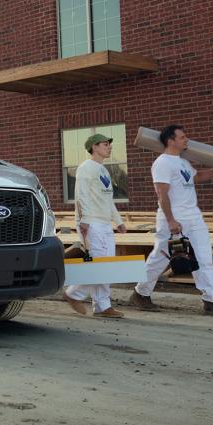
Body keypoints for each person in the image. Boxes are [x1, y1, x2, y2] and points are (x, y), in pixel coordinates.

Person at [128, 125, 213, 317]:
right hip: (173, 218)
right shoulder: (162, 163)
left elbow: (198, 177)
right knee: (160, 257)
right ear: (171, 141)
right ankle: (140, 293)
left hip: (194, 217)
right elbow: (161, 194)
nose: (186, 140)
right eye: (182, 137)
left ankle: (212, 300)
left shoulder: (183, 162)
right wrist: (171, 220)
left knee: (204, 258)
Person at [63, 133, 128, 318]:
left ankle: (100, 306)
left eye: (109, 144)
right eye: (105, 144)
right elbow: (80, 195)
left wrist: (119, 221)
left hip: (104, 222)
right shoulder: (85, 167)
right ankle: (75, 294)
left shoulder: (103, 170)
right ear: (94, 147)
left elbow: (108, 200)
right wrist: (83, 221)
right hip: (90, 222)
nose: (109, 147)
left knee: (106, 265)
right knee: (99, 264)